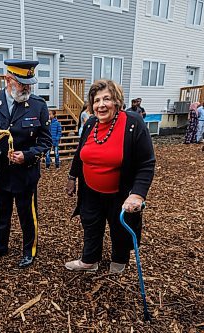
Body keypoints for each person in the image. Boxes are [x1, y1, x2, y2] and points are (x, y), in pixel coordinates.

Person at [64, 79, 155, 274]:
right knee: (90, 224)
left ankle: (119, 259)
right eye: (96, 100)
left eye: (107, 99)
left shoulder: (133, 123)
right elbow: (80, 153)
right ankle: (89, 260)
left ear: (117, 101)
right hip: (90, 190)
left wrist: (137, 194)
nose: (101, 104)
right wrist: (72, 176)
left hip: (120, 191)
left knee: (120, 227)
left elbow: (146, 163)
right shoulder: (90, 123)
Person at [0, 59, 52, 269]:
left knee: (27, 214)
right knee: (1, 212)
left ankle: (29, 250)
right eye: (22, 83)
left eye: (29, 83)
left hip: (25, 173)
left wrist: (27, 155)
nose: (27, 88)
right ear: (8, 79)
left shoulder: (38, 105)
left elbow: (45, 141)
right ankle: (0, 248)